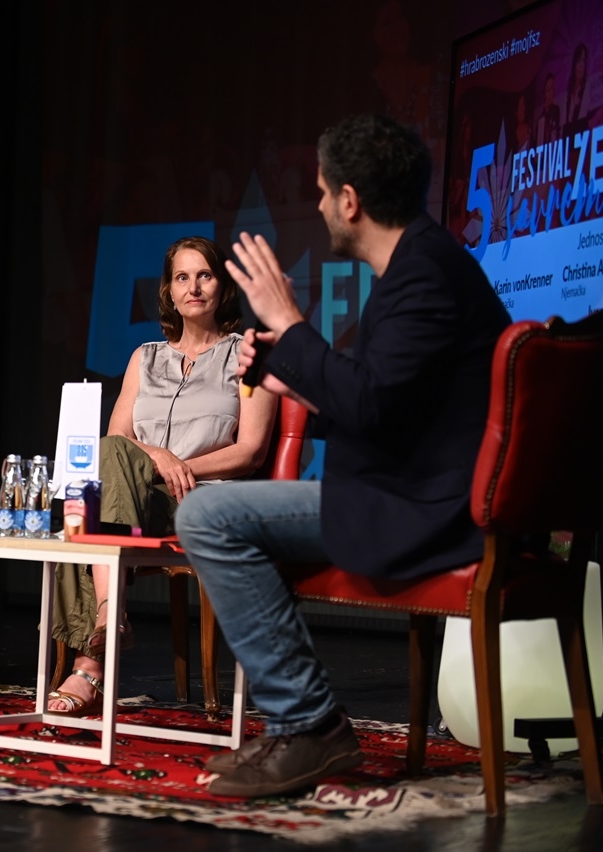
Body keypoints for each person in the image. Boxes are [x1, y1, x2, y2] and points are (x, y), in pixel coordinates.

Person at [173, 113, 511, 798]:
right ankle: (299, 722)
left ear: (350, 201)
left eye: (325, 192)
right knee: (222, 517)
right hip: (419, 486)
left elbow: (373, 408)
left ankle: (310, 723)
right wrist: (287, 367)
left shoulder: (421, 278)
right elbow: (387, 406)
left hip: (423, 507)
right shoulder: (425, 264)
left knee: (210, 517)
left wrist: (293, 325)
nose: (321, 204)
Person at [45, 236, 278, 717]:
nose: (194, 287)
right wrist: (157, 455)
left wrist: (180, 466)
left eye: (205, 275)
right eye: (182, 277)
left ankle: (91, 664)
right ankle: (109, 620)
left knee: (82, 516)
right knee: (87, 495)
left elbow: (250, 452)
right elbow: (117, 441)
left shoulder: (249, 355)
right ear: (169, 292)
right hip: (135, 500)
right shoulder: (144, 357)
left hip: (202, 499)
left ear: (222, 287)